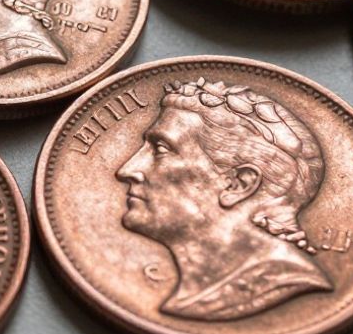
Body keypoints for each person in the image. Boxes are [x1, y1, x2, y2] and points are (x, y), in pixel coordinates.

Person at [115, 78, 333, 321]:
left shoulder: (281, 284)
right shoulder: (201, 294)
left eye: (161, 149)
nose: (126, 170)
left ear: (239, 184)